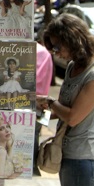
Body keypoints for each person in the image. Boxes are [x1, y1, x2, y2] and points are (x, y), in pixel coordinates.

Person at [38, 13, 94, 186]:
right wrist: (38, 112)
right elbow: (63, 109)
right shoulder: (73, 66)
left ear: (73, 40)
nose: (56, 53)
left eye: (57, 47)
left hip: (84, 158)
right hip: (69, 154)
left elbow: (73, 117)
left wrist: (49, 102)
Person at [33, 40, 55, 175]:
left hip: (17, 102)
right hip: (41, 106)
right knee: (34, 135)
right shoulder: (44, 53)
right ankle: (33, 167)